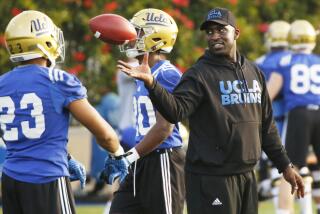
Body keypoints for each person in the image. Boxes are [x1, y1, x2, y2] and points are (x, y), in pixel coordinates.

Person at [117, 7, 305, 214]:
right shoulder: (198, 75)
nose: (215, 36)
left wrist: (285, 166)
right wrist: (152, 84)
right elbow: (175, 112)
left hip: (246, 176)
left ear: (236, 33)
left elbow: (267, 127)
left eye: (221, 30)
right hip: (210, 178)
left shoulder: (254, 73)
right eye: (209, 32)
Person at [0, 10, 127, 214]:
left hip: (11, 181)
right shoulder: (57, 81)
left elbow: (16, 132)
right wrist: (118, 155)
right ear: (45, 41)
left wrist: (65, 157)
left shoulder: (2, 84)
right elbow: (105, 135)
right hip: (48, 178)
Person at [104, 8, 186, 214]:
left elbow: (164, 128)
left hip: (163, 159)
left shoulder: (166, 74)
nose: (132, 38)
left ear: (155, 37)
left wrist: (129, 156)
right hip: (142, 157)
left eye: (138, 32)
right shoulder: (143, 71)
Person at [267, 19, 320, 214]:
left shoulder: (286, 61)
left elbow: (268, 94)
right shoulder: (318, 60)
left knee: (288, 168)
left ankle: (283, 211)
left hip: (299, 116)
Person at [255, 20, 291, 205]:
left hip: (270, 120)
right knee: (303, 170)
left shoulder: (260, 62)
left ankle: (266, 184)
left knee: (277, 166)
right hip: (296, 119)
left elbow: (261, 96)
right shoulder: (294, 59)